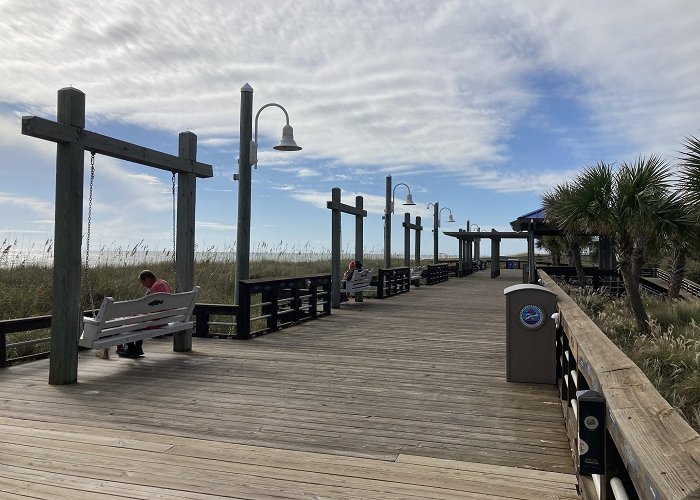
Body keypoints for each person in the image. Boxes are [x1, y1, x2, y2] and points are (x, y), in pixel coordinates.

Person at [117, 270, 173, 358]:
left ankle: (131, 348)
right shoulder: (164, 283)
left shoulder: (154, 289)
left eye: (143, 282)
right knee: (138, 320)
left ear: (147, 278)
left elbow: (147, 309)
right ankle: (138, 348)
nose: (143, 285)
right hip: (165, 318)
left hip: (157, 321)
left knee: (131, 321)